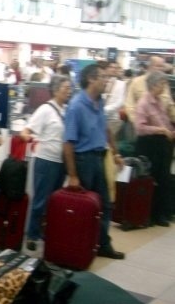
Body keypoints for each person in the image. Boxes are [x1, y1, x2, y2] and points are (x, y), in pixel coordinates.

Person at [63, 64, 125, 260]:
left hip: (99, 158)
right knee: (84, 207)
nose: (107, 81)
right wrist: (73, 175)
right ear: (91, 79)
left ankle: (102, 244)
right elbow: (68, 144)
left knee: (105, 205)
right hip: (83, 161)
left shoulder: (99, 102)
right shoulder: (76, 106)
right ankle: (80, 247)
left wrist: (116, 153)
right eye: (103, 77)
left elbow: (106, 130)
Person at [20, 75, 71, 247]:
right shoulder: (45, 109)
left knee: (54, 201)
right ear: (56, 90)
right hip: (45, 160)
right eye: (66, 88)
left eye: (70, 88)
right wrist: (28, 137)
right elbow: (26, 130)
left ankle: (47, 232)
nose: (69, 92)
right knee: (40, 199)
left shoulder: (67, 110)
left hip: (61, 162)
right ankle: (32, 235)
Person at [134, 71, 175, 227]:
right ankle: (148, 214)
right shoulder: (144, 103)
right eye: (161, 84)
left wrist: (169, 131)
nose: (164, 87)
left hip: (162, 146)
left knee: (163, 179)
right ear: (153, 85)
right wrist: (161, 130)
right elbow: (140, 128)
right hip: (149, 146)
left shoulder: (159, 101)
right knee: (151, 180)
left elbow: (166, 122)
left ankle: (160, 214)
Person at [124, 56, 173, 124]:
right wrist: (140, 123)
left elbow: (170, 106)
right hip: (143, 127)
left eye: (162, 67)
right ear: (150, 67)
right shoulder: (136, 82)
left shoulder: (164, 84)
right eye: (158, 66)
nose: (161, 69)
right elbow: (129, 106)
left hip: (162, 127)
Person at [103, 61, 127, 136]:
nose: (113, 69)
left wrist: (104, 110)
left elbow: (120, 102)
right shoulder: (102, 81)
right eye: (111, 67)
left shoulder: (122, 84)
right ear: (106, 68)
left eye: (116, 68)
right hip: (99, 117)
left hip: (114, 118)